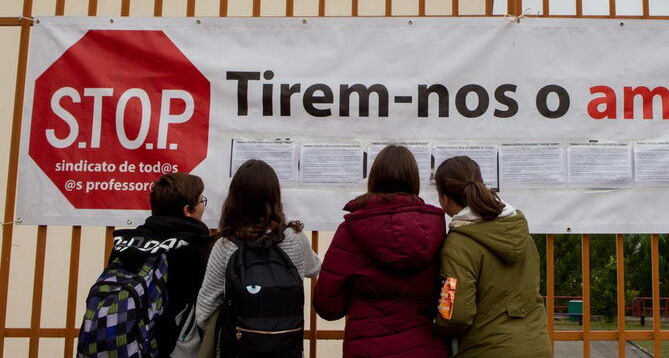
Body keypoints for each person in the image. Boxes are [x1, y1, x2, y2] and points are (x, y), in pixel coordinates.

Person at [314, 144, 448, 357]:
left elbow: (327, 305)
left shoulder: (351, 231)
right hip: (424, 345)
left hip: (367, 346)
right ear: (414, 180)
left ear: (374, 177)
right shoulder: (436, 229)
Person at [196, 159, 320, 356]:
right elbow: (315, 268)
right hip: (287, 349)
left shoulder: (225, 246)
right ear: (275, 196)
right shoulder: (295, 239)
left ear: (234, 199)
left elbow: (203, 312)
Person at [433, 156, 551, 357]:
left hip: (488, 349)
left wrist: (437, 324)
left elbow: (456, 315)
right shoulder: (518, 229)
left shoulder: (459, 244)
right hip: (537, 345)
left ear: (444, 198)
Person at [106, 172, 211, 354]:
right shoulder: (196, 249)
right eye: (201, 201)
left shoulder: (127, 243)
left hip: (123, 341)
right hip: (168, 345)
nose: (203, 206)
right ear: (187, 210)